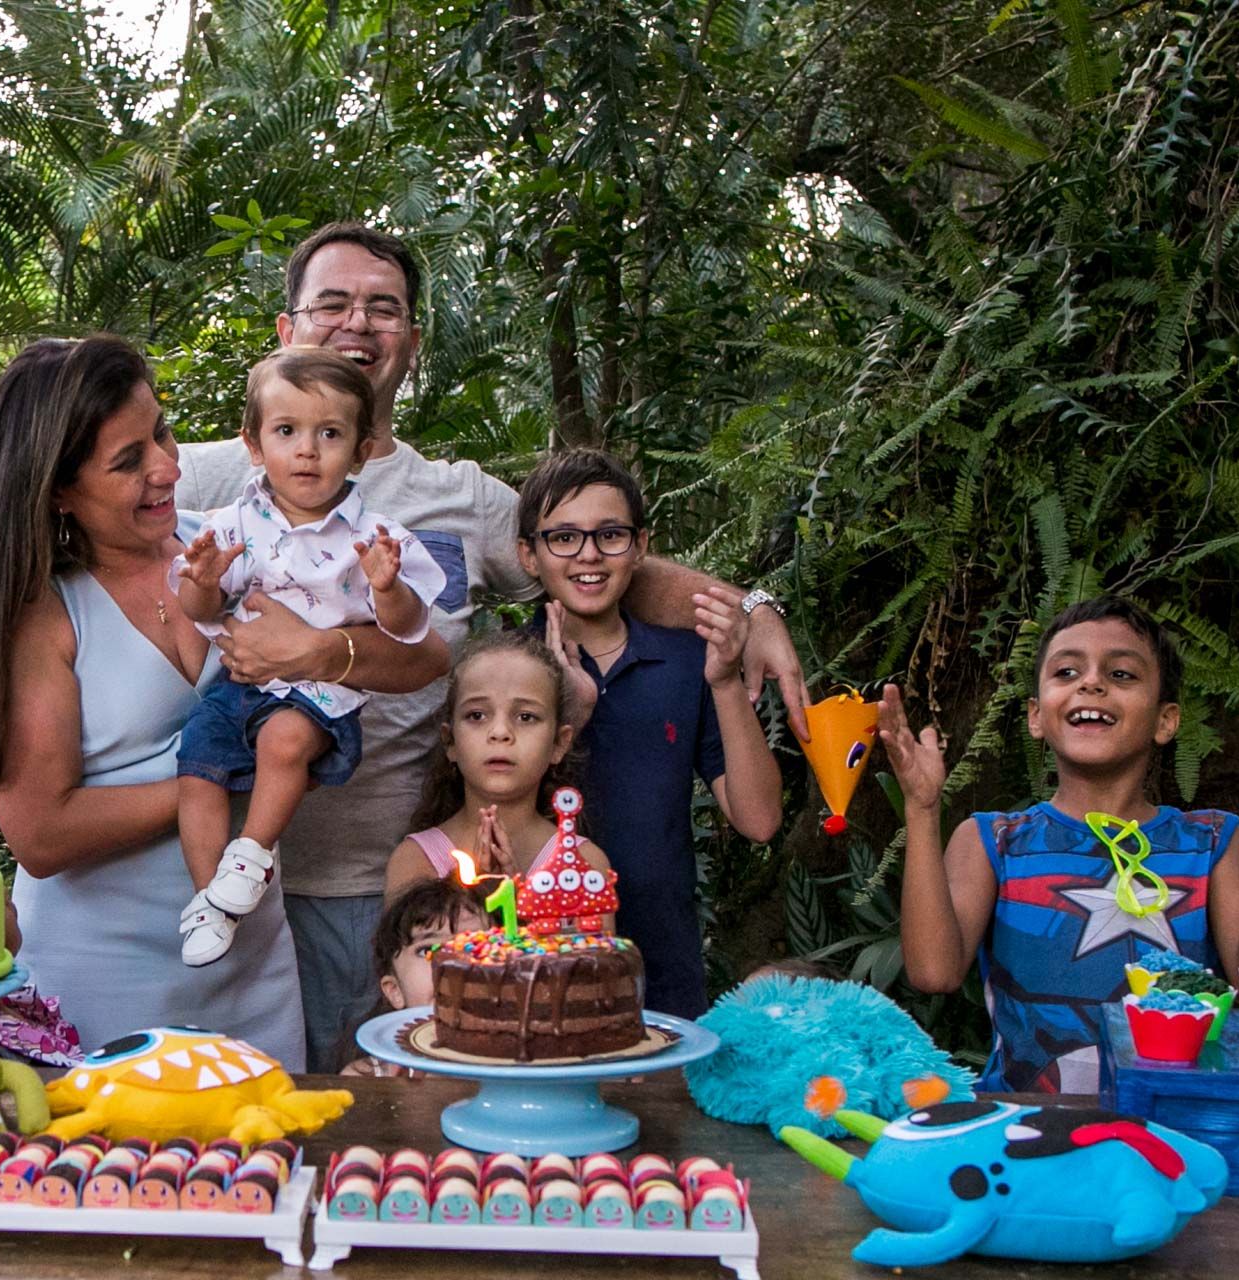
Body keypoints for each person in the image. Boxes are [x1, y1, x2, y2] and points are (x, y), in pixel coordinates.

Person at [175, 221, 814, 1069]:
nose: (358, 324)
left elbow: (594, 553)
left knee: (396, 1115)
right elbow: (74, 503)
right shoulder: (215, 476)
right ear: (287, 332)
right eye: (332, 304)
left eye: (385, 308)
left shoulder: (461, 499)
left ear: (412, 340)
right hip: (221, 876)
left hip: (389, 882)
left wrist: (752, 609)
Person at [0, 334, 448, 1068]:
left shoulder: (224, 547)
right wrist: (216, 778)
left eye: (162, 432)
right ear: (56, 488)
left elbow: (425, 656)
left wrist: (321, 651)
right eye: (128, 461)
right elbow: (41, 835)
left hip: (254, 969)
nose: (167, 468)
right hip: (102, 983)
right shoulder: (38, 611)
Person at [882, 595, 1239, 1092]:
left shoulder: (1210, 842)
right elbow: (933, 973)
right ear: (1036, 716)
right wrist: (923, 811)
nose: (1091, 682)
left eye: (1121, 674)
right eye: (1066, 672)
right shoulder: (994, 840)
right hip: (1028, 1130)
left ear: (1166, 720)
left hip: (1171, 1133)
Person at [171, 349, 443, 966]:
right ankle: (210, 900)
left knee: (284, 743)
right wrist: (205, 580)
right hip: (240, 686)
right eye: (286, 432)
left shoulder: (376, 536)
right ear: (254, 443)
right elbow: (196, 605)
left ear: (363, 448)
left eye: (329, 434)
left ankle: (252, 852)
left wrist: (387, 587)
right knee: (197, 771)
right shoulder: (235, 519)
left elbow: (409, 632)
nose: (307, 451)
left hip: (321, 695)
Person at [515, 449, 782, 1018]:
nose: (588, 554)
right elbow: (483, 810)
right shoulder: (505, 665)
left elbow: (759, 821)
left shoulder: (687, 662)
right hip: (534, 966)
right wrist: (567, 705)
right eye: (563, 537)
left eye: (609, 534)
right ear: (529, 555)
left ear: (639, 547)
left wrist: (726, 683)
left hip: (661, 973)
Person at [384, 629, 615, 894]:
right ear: (450, 742)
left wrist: (519, 902)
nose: (500, 732)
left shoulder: (584, 867)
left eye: (526, 717)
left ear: (558, 744)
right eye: (477, 715)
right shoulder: (415, 861)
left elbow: (593, 936)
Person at [338, 877, 487, 1077]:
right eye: (427, 950)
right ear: (395, 991)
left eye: (475, 946)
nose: (453, 963)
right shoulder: (370, 1077)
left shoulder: (525, 1066)